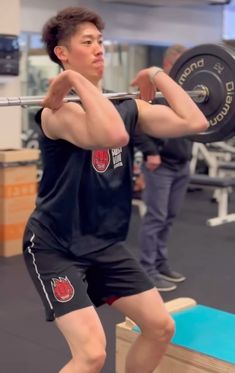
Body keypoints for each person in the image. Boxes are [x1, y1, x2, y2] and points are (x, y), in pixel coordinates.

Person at [22, 8, 208, 373]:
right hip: (55, 246)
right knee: (91, 355)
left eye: (101, 42)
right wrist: (75, 82)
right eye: (87, 42)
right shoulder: (57, 113)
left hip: (103, 243)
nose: (99, 50)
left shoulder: (124, 106)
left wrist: (157, 74)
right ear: (61, 53)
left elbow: (196, 121)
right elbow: (113, 135)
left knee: (160, 327)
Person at [135, 44, 193, 292]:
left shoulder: (183, 93)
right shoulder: (153, 90)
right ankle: (147, 270)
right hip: (160, 166)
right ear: (168, 65)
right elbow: (135, 122)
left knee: (168, 218)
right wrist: (151, 152)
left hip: (182, 165)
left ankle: (161, 263)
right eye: (181, 63)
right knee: (156, 218)